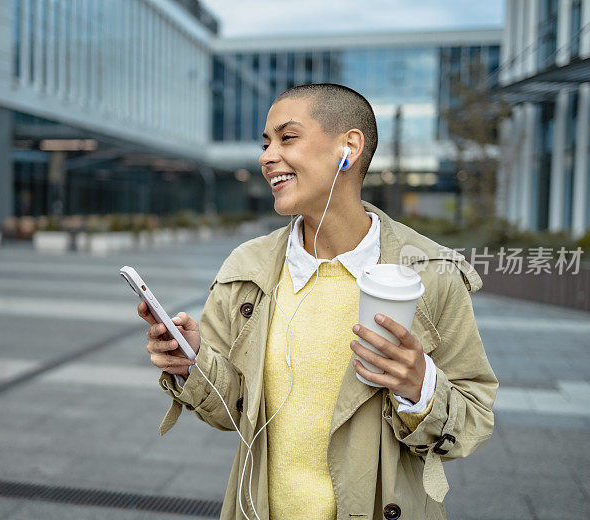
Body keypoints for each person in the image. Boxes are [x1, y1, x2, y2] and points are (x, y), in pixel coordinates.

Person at [136, 83, 497, 520]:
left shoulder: (432, 272)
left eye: (287, 138)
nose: (266, 157)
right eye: (265, 143)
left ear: (349, 146)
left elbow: (473, 419)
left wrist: (419, 387)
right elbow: (230, 411)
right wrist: (192, 361)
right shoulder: (246, 268)